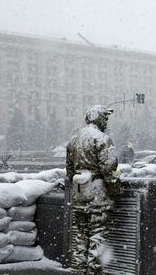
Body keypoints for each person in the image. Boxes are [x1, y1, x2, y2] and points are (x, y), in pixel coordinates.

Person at [65, 105, 120, 275]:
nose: (106, 122)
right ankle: (94, 272)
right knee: (97, 236)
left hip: (79, 193)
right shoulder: (103, 139)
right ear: (98, 119)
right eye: (105, 118)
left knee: (80, 235)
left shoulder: (74, 140)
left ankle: (79, 270)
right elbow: (109, 170)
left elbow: (69, 170)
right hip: (97, 196)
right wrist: (115, 190)